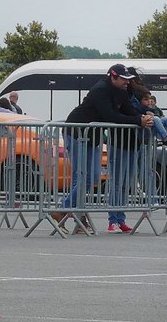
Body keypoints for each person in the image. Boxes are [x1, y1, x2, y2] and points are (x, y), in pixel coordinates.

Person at [62, 63, 152, 234]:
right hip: (76, 134)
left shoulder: (121, 91)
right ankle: (65, 210)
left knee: (92, 177)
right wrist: (136, 121)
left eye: (128, 79)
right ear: (113, 76)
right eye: (124, 79)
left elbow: (129, 110)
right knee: (83, 178)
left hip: (91, 136)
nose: (127, 82)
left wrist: (142, 117)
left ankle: (71, 214)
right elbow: (110, 115)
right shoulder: (100, 89)